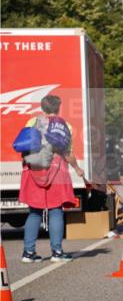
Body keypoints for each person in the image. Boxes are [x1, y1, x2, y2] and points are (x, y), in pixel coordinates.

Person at [17, 94, 85, 262]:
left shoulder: (32, 122)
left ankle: (28, 253)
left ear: (42, 107)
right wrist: (77, 168)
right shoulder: (64, 125)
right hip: (56, 171)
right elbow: (68, 154)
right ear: (58, 107)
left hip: (34, 169)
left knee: (34, 211)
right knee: (56, 210)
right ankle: (57, 252)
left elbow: (24, 147)